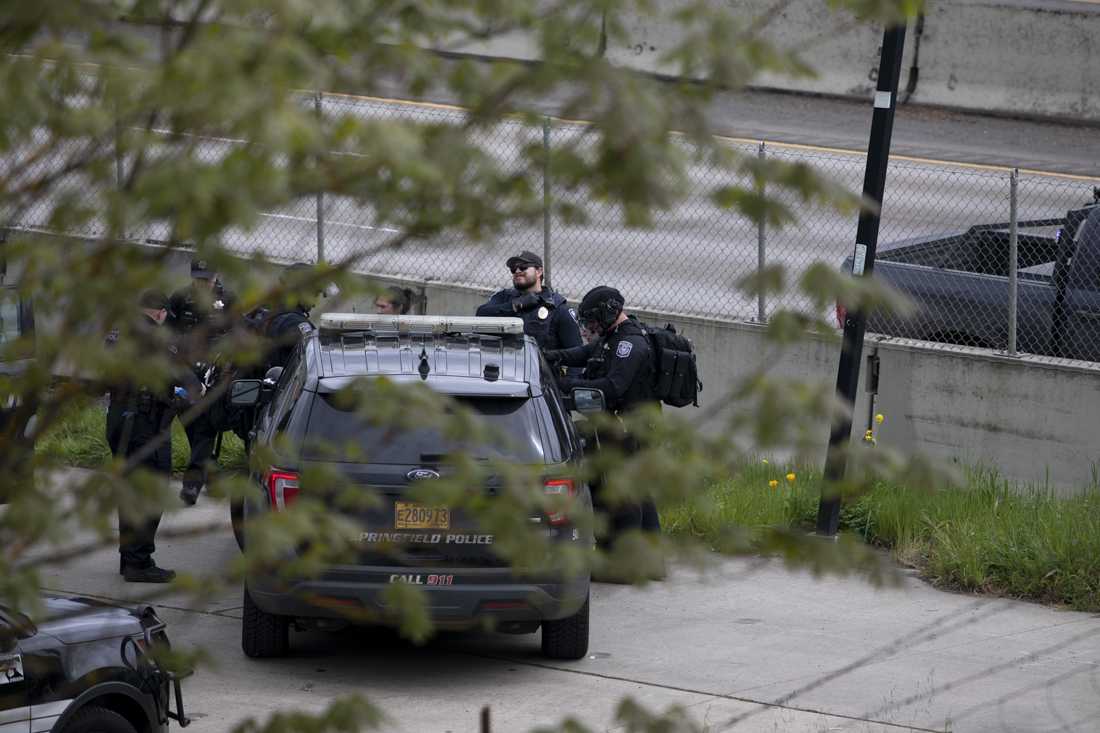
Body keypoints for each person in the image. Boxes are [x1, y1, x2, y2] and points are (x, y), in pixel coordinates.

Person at [544, 286, 662, 541]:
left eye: (595, 319)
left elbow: (612, 387)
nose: (592, 326)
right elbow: (585, 354)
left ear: (609, 312)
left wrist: (564, 385)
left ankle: (625, 564)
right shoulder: (613, 337)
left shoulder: (629, 344)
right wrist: (547, 356)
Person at [105, 290, 200, 582]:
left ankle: (128, 558)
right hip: (146, 427)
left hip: (118, 420)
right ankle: (140, 562)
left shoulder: (116, 333)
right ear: (159, 313)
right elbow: (188, 383)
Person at [169, 258, 233, 507]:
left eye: (207, 279)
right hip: (185, 371)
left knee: (206, 426)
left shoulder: (228, 300)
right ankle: (211, 474)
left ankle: (192, 484)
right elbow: (169, 333)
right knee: (193, 423)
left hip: (215, 372)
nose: (203, 284)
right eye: (198, 279)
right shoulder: (180, 298)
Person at [475, 250, 582, 352]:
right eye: (513, 269)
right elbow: (481, 315)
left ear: (539, 271)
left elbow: (576, 356)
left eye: (523, 267)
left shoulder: (556, 307)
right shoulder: (504, 297)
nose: (517, 271)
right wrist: (514, 305)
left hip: (540, 369)